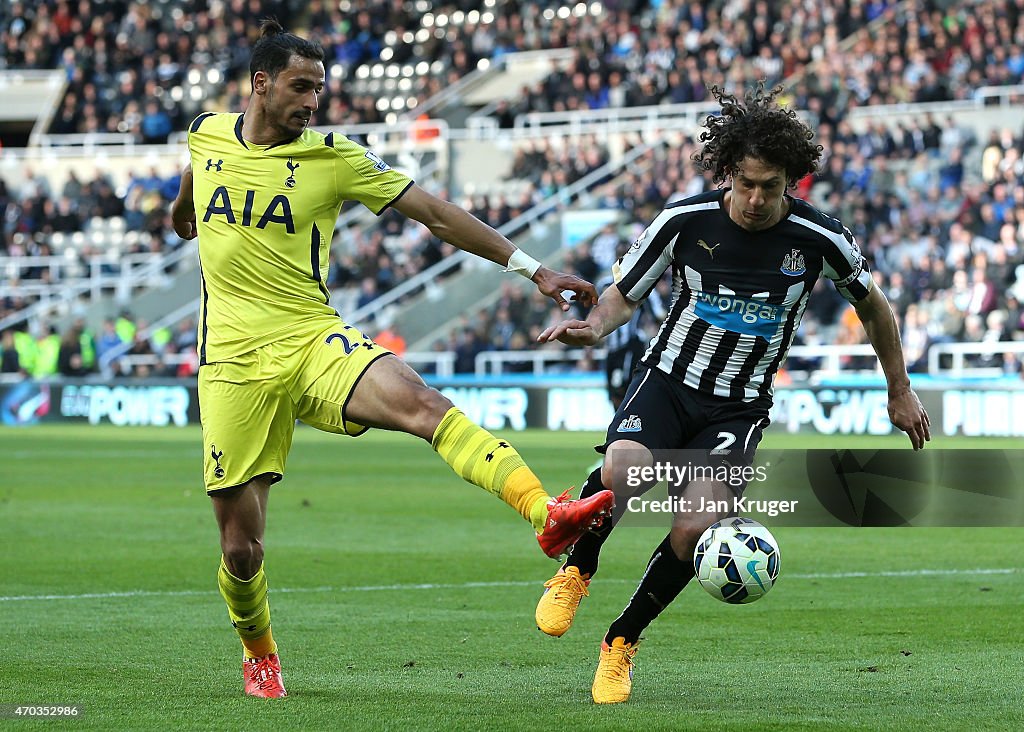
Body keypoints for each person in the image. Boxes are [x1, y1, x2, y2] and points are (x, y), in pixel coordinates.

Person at [169, 19, 612, 700]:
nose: (314, 101)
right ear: (260, 84)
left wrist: (534, 271)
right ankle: (260, 651)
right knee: (240, 549)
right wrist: (183, 215)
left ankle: (544, 513)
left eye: (320, 88)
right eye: (301, 86)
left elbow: (434, 213)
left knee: (423, 404)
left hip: (312, 341)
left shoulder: (333, 157)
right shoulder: (205, 135)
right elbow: (191, 193)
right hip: (231, 366)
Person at [533, 84, 931, 705]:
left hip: (739, 406)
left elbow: (876, 310)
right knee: (626, 475)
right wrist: (592, 327)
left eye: (770, 186)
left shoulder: (819, 239)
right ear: (728, 173)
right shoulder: (682, 222)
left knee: (694, 529)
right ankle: (579, 569)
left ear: (791, 182)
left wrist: (898, 389)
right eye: (745, 183)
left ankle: (621, 642)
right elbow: (621, 296)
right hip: (667, 382)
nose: (754, 199)